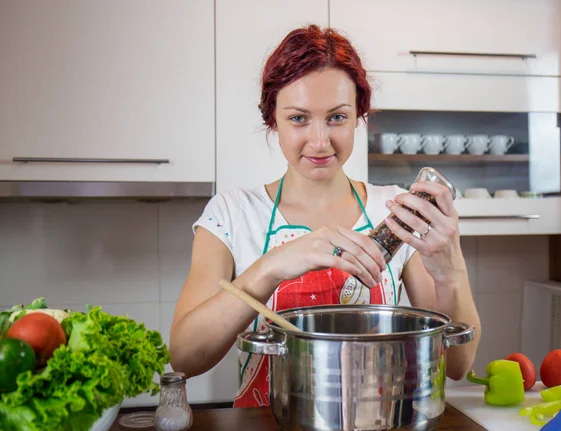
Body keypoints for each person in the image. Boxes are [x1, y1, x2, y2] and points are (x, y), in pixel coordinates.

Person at [170, 24, 481, 408]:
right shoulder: (232, 213)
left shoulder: (397, 214)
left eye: (336, 117)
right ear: (273, 119)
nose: (320, 142)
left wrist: (452, 271)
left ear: (358, 117)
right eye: (299, 118)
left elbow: (457, 365)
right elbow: (184, 357)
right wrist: (272, 266)